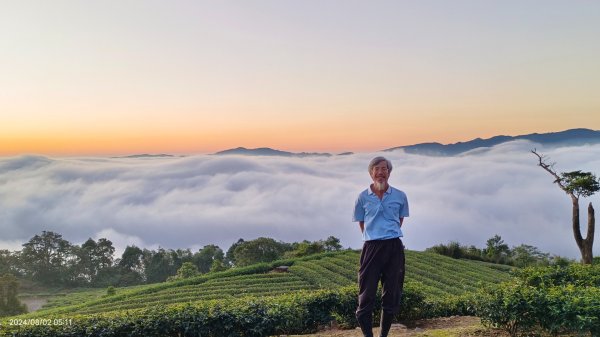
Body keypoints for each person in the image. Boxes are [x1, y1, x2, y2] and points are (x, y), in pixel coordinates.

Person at [352, 156, 409, 337]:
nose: (380, 172)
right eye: (376, 169)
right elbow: (362, 223)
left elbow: (399, 221)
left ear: (389, 173)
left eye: (384, 169)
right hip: (371, 247)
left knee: (391, 294)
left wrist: (386, 234)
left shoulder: (400, 196)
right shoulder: (362, 197)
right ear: (371, 173)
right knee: (366, 295)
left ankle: (384, 335)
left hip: (393, 247)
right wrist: (374, 236)